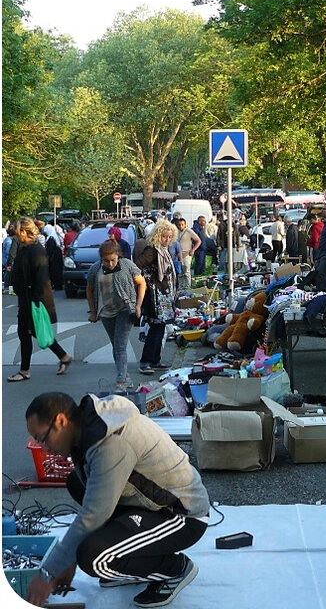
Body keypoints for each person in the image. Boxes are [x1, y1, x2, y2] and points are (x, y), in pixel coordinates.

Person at [24, 391, 209, 608]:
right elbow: (95, 504)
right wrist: (67, 556)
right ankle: (127, 559)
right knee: (76, 482)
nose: (44, 448)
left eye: (42, 438)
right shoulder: (88, 429)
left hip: (182, 515)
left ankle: (174, 568)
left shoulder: (111, 442)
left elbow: (94, 514)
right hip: (150, 504)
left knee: (93, 557)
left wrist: (50, 571)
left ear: (61, 421)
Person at [7, 217, 73, 382]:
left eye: (18, 231)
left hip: (32, 300)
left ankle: (25, 370)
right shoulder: (26, 248)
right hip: (26, 298)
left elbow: (42, 278)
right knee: (34, 332)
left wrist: (35, 301)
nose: (15, 234)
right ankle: (63, 356)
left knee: (28, 332)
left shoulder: (36, 250)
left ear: (25, 232)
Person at [86, 239, 146, 389]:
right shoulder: (95, 269)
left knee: (120, 346)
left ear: (118, 255)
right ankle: (125, 376)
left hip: (125, 310)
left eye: (113, 260)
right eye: (106, 261)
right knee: (116, 345)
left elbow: (142, 283)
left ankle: (121, 381)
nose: (110, 264)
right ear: (101, 259)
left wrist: (138, 305)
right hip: (106, 312)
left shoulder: (126, 265)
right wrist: (93, 311)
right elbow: (89, 289)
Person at [134, 219, 177, 375]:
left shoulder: (163, 250)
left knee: (160, 327)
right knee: (155, 328)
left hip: (164, 295)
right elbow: (137, 266)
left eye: (169, 237)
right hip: (154, 296)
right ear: (157, 236)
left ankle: (155, 360)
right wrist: (147, 278)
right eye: (164, 237)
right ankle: (145, 361)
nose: (166, 240)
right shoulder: (152, 250)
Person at [175, 217, 201, 290]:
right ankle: (181, 287)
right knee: (180, 272)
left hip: (187, 254)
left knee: (186, 271)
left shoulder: (189, 232)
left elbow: (198, 241)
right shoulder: (176, 232)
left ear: (185, 225)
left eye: (182, 225)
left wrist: (193, 250)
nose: (181, 226)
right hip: (178, 255)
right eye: (179, 225)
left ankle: (188, 287)